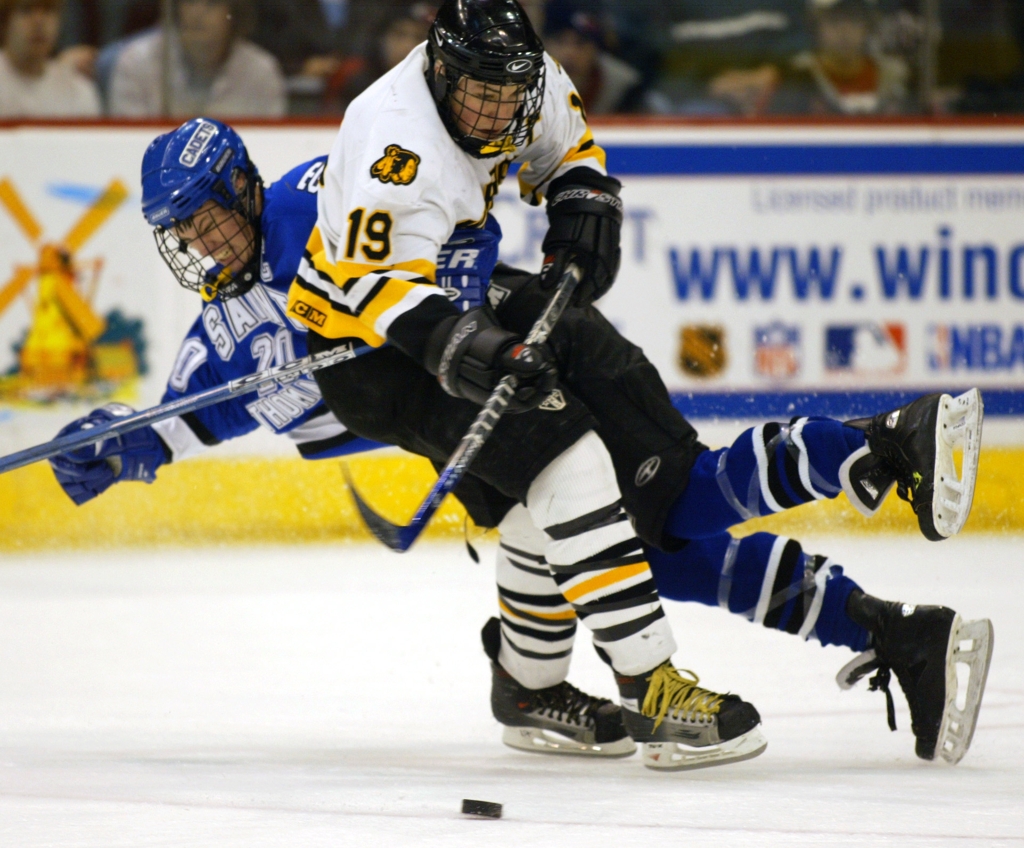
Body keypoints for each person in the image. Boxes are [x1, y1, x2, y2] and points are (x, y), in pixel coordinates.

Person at [49, 111, 990, 768]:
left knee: (662, 516)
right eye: (186, 234)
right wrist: (106, 445)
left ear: (245, 190)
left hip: (530, 342)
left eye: (211, 218)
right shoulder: (227, 331)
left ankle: (872, 470)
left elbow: (455, 242)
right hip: (486, 406)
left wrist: (404, 324)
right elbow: (173, 422)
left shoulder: (323, 203)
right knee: (659, 540)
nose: (205, 245)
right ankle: (878, 528)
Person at [282, 0, 988, 769]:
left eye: (506, 96)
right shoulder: (393, 139)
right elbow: (377, 289)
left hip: (473, 294)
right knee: (568, 466)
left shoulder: (525, 78)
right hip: (380, 350)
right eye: (476, 95)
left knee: (663, 489)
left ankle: (868, 461)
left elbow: (569, 151)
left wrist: (583, 202)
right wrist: (473, 346)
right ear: (438, 69)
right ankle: (651, 688)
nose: (493, 112)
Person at [108, 0, 286, 117]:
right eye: (190, 1)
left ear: (234, 12)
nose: (197, 13)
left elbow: (268, 148)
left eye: (211, 3)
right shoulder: (136, 63)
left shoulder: (262, 71)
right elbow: (127, 147)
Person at [771, 0, 908, 115]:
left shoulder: (895, 78)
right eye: (834, 20)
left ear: (868, 25)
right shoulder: (796, 78)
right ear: (816, 25)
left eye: (854, 19)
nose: (844, 31)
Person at [541, 0, 643, 115]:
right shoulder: (522, 80)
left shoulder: (623, 86)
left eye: (581, 43)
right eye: (559, 41)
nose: (570, 53)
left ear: (596, 48)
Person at [0, 0, 100, 116]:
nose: (39, 22)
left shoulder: (79, 91)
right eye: (26, 10)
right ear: (4, 22)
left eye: (48, 11)